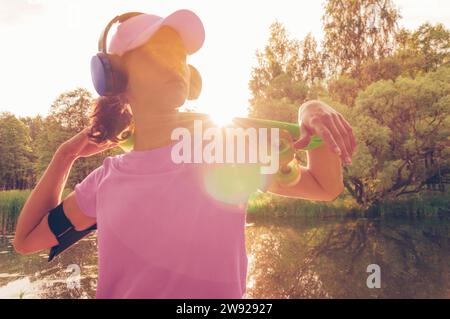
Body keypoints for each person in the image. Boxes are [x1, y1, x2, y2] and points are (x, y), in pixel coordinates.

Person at [13, 9, 356, 298]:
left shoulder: (228, 151)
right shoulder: (103, 181)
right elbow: (27, 240)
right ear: (114, 78)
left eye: (179, 55)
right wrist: (65, 155)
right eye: (155, 53)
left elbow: (324, 185)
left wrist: (312, 109)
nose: (174, 64)